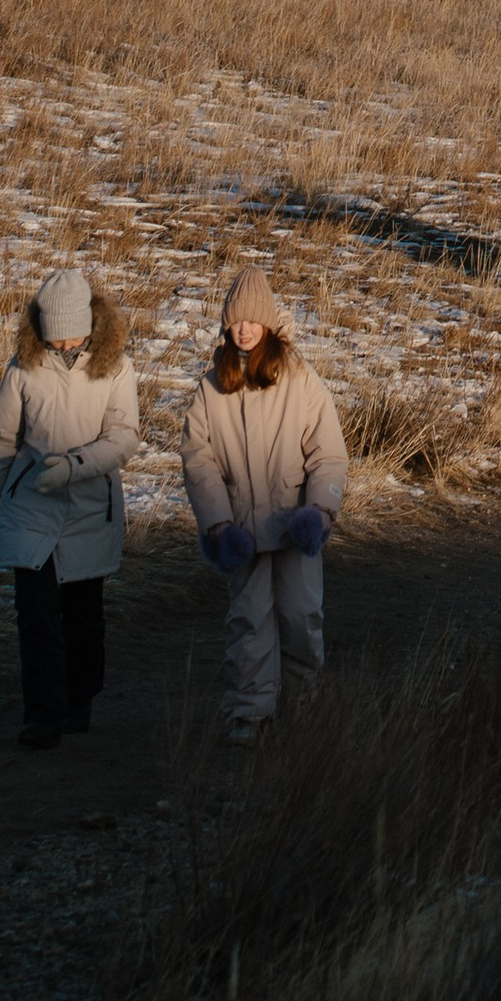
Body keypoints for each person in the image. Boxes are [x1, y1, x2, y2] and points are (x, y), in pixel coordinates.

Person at [178, 265, 348, 743]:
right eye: (236, 321)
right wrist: (218, 524)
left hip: (294, 528)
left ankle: (302, 715)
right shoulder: (212, 386)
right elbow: (198, 460)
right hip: (242, 530)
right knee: (248, 622)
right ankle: (249, 714)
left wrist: (319, 511)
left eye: (253, 320)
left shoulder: (300, 379)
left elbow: (329, 454)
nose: (244, 329)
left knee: (300, 619)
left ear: (268, 323)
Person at [0, 263, 139, 752]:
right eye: (53, 337)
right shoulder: (23, 368)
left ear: (89, 327)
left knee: (83, 615)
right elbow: (0, 442)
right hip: (30, 505)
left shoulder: (117, 367)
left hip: (90, 506)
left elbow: (123, 438)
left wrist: (74, 466)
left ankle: (78, 701)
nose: (62, 345)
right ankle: (43, 716)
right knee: (37, 614)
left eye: (70, 336)